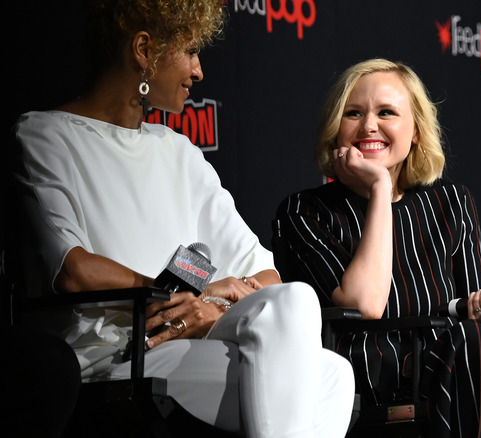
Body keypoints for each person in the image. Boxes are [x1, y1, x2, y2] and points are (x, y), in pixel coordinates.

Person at [11, 0, 354, 436]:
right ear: (143, 51)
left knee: (317, 335)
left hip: (194, 341)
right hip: (122, 354)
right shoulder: (46, 135)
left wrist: (210, 304)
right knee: (325, 378)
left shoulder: (180, 152)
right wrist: (171, 297)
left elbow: (267, 277)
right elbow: (73, 270)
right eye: (191, 51)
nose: (198, 72)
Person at [276, 58, 481, 437]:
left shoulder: (451, 202)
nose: (369, 126)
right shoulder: (305, 210)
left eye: (387, 112)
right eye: (354, 113)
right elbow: (365, 304)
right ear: (336, 129)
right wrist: (379, 188)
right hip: (364, 387)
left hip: (454, 376)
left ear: (415, 131)